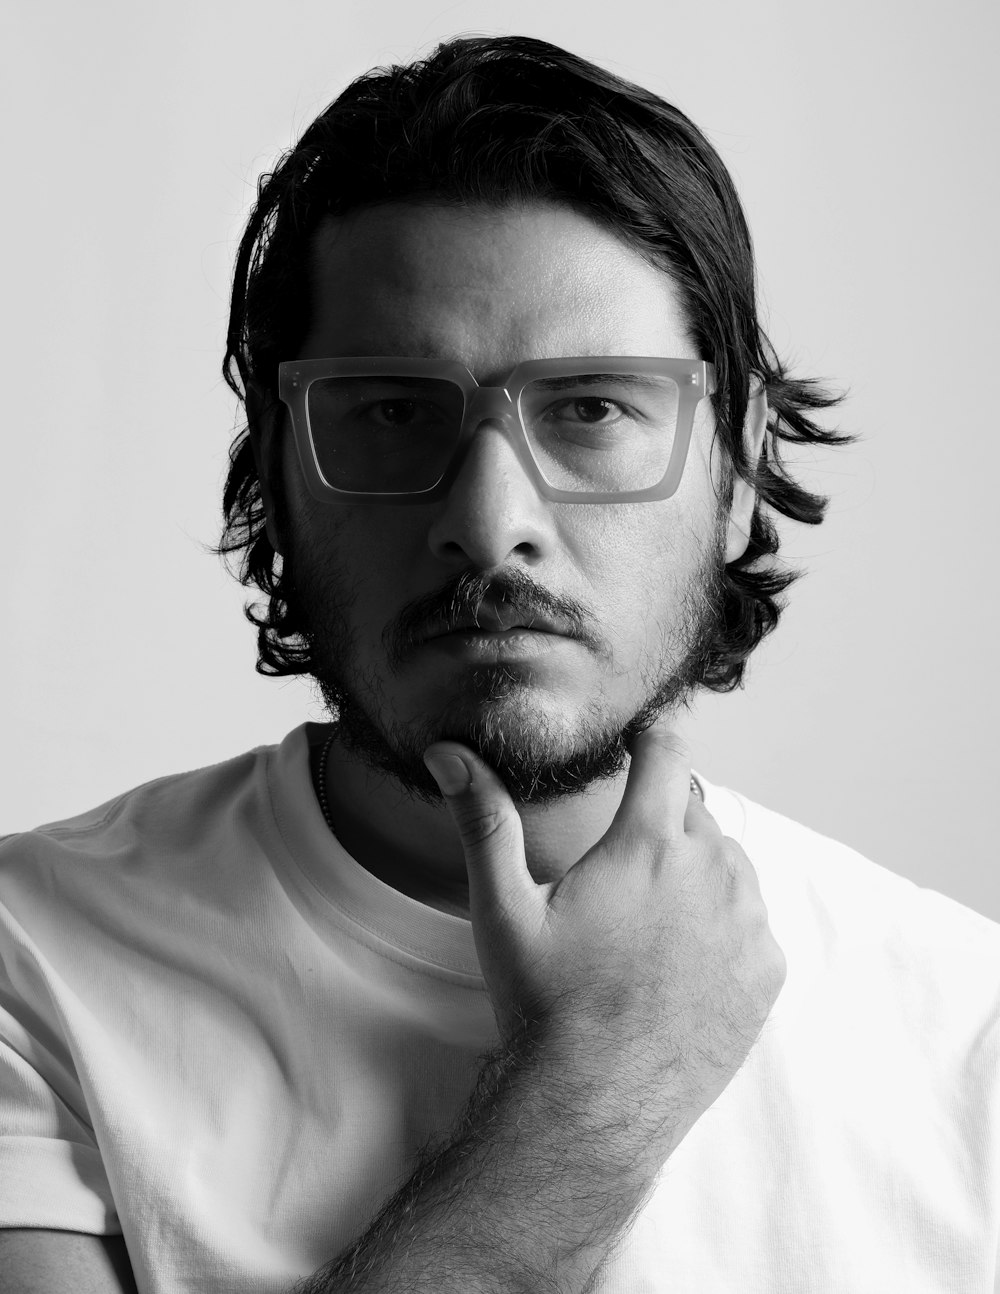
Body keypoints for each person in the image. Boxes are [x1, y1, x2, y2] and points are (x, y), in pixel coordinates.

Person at [1, 32, 998, 1294]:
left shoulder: (967, 1033)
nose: (488, 518)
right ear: (278, 473)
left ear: (737, 469)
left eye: (589, 408)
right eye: (390, 410)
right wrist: (592, 1099)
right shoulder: (28, 961)